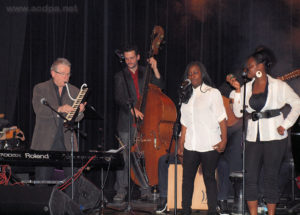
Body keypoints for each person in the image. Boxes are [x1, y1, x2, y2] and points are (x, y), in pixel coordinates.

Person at [228, 47, 300, 215]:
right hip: (253, 138)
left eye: (250, 66)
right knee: (251, 178)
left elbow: (297, 103)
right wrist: (238, 90)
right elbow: (238, 112)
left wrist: (286, 124)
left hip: (274, 137)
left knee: (270, 177)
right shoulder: (246, 88)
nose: (247, 69)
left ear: (260, 66)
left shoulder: (278, 86)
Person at [114, 45, 164, 203]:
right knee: (124, 158)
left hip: (147, 121)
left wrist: (155, 68)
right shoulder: (119, 76)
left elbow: (160, 87)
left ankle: (145, 190)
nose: (129, 61)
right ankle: (121, 190)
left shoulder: (146, 72)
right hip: (126, 123)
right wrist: (132, 110)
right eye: (126, 58)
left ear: (138, 57)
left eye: (131, 58)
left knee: (143, 157)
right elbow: (119, 98)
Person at [177, 61, 227, 215]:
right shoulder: (186, 96)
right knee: (187, 180)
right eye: (190, 73)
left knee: (209, 178)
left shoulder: (213, 93)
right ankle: (185, 211)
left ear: (202, 73)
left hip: (209, 144)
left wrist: (224, 140)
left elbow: (222, 118)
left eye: (195, 72)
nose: (192, 76)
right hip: (191, 144)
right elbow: (184, 123)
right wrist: (180, 145)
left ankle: (212, 211)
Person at [31, 58, 85, 181]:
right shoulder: (40, 88)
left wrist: (80, 112)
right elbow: (39, 110)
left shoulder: (75, 91)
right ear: (53, 73)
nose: (66, 77)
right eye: (63, 74)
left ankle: (71, 201)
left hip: (67, 142)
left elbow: (77, 119)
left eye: (68, 74)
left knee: (73, 182)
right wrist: (59, 109)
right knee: (42, 181)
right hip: (45, 143)